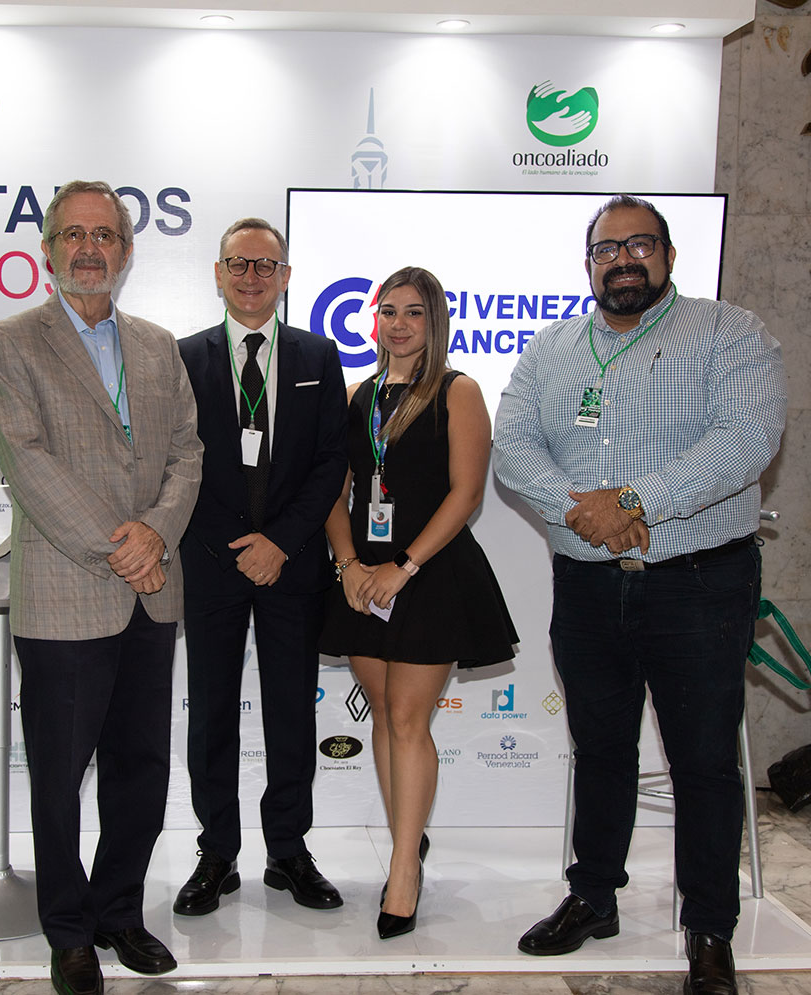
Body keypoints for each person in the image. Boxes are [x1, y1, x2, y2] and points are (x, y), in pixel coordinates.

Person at [493, 195, 786, 995]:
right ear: (588, 263)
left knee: (703, 762)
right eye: (606, 248)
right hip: (587, 583)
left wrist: (631, 500)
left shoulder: (730, 332)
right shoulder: (550, 348)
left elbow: (745, 440)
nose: (623, 259)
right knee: (600, 748)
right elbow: (513, 446)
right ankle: (594, 896)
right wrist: (582, 510)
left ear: (669, 255)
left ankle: (709, 928)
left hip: (700, 583)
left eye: (640, 244)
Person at [0, 180, 203, 995]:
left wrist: (157, 533)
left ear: (127, 250)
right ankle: (69, 932)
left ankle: (119, 912)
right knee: (60, 776)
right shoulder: (12, 342)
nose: (88, 248)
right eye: (72, 234)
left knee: (140, 767)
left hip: (151, 591)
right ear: (48, 249)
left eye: (103, 235)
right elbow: (26, 460)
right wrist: (125, 547)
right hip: (67, 591)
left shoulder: (157, 344)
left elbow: (188, 451)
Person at [318, 265, 517, 939]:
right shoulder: (356, 395)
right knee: (382, 713)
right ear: (374, 319)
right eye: (389, 311)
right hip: (363, 577)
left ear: (435, 322)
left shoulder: (459, 392)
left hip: (427, 573)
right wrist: (348, 564)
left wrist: (403, 567)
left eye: (414, 312)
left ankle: (404, 867)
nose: (399, 325)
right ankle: (409, 836)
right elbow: (334, 491)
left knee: (408, 717)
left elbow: (467, 493)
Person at [174, 218, 349, 916]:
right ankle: (217, 853)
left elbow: (331, 461)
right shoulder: (183, 357)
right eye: (239, 264)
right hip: (211, 564)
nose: (252, 277)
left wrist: (279, 541)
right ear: (218, 274)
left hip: (293, 564)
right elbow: (177, 462)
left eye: (265, 265)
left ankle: (288, 851)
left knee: (290, 712)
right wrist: (235, 545)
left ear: (285, 277)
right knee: (211, 713)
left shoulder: (319, 354)